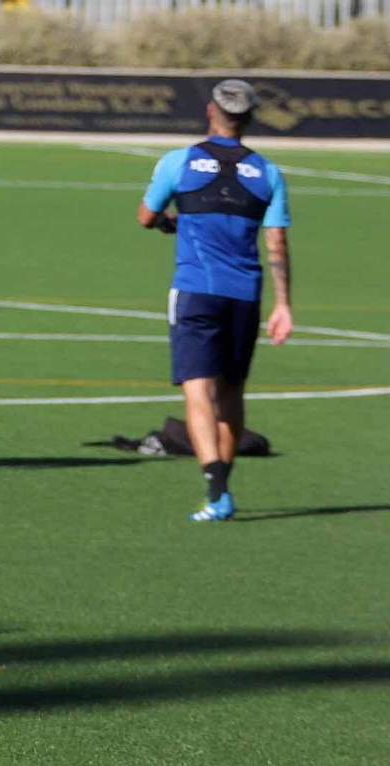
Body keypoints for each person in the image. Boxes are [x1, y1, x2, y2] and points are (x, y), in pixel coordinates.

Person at [138, 78, 293, 522]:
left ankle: (216, 488)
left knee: (198, 390)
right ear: (251, 118)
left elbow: (146, 216)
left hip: (195, 291)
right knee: (232, 393)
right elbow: (276, 242)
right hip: (245, 295)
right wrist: (283, 304)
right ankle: (222, 484)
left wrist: (169, 223)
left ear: (211, 111)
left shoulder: (180, 160)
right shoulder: (268, 172)